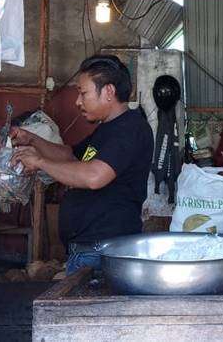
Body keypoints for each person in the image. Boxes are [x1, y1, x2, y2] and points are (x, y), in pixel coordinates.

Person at [11, 55, 153, 274]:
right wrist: (32, 139)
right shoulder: (108, 128)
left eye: (83, 93)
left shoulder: (131, 129)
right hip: (91, 251)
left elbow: (95, 176)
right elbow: (70, 156)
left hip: (105, 253)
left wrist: (39, 162)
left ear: (108, 92)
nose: (77, 101)